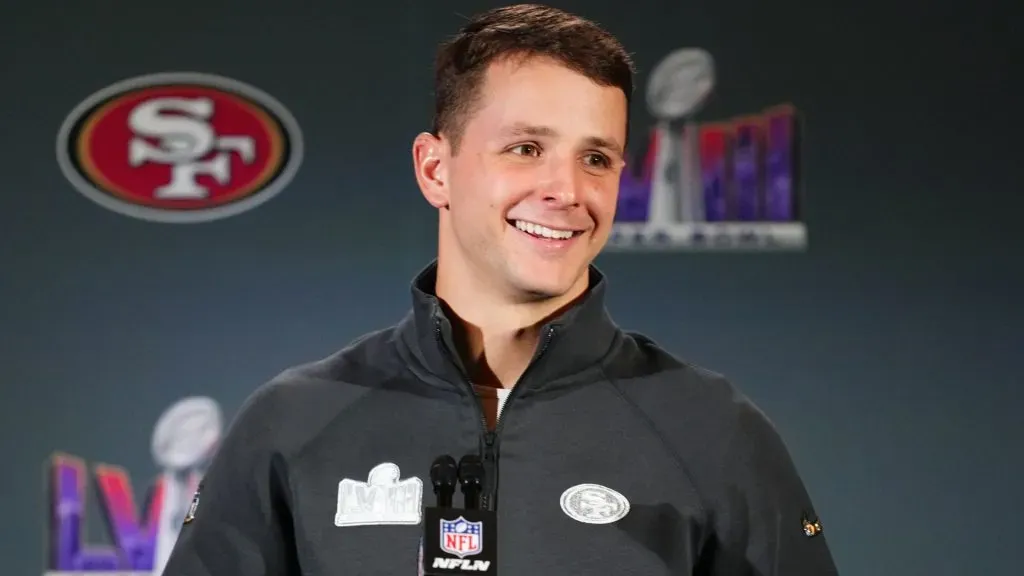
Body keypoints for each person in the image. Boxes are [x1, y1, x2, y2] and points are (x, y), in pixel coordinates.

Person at [162, 4, 840, 575]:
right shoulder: (294, 426)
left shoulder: (712, 431)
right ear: (435, 169)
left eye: (596, 158)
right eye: (525, 148)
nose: (567, 191)